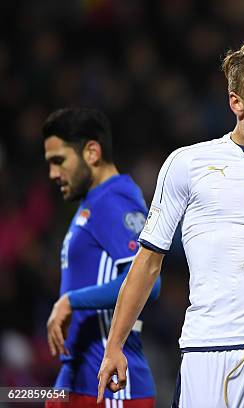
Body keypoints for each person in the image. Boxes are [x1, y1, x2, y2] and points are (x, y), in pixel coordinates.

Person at [97, 39, 244, 407]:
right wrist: (115, 345)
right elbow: (148, 262)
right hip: (210, 352)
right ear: (236, 103)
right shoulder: (188, 165)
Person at [43, 107, 161, 407]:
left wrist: (72, 300)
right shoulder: (92, 203)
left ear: (92, 152)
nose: (53, 174)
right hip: (79, 380)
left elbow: (150, 281)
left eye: (59, 161)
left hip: (112, 389)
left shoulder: (115, 199)